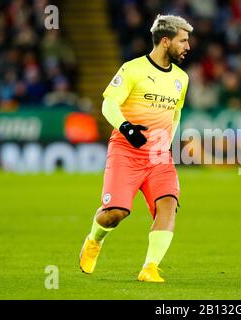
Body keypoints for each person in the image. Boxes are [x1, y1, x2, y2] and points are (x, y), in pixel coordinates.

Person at [79, 14, 193, 282]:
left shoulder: (181, 78)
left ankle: (150, 268)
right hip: (126, 150)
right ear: (166, 41)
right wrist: (127, 127)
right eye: (183, 40)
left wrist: (168, 141)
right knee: (115, 214)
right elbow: (108, 104)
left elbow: (175, 114)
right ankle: (94, 240)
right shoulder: (133, 70)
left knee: (168, 204)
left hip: (158, 155)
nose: (187, 46)